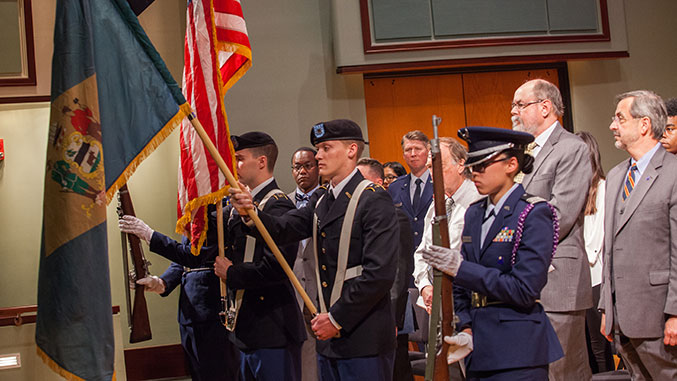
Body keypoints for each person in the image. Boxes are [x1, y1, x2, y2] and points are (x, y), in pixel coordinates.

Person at [229, 119, 399, 381]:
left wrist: (336, 318)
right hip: (329, 338)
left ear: (352, 150)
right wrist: (250, 212)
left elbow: (379, 274)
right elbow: (285, 228)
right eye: (318, 148)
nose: (318, 155)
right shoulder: (323, 198)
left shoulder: (373, 197)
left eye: (326, 148)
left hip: (363, 337)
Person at [421, 126, 564, 380]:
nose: (474, 173)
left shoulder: (532, 213)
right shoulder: (475, 213)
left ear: (511, 164)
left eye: (482, 166)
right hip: (479, 345)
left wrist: (461, 269)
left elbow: (524, 289)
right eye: (472, 167)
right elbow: (462, 286)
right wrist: (465, 326)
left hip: (517, 347)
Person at [511, 78, 593, 380]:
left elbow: (560, 215)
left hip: (557, 278)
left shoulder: (571, 148)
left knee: (564, 371)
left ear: (545, 107)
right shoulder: (520, 152)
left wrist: (510, 239)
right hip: (525, 280)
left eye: (521, 104)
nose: (515, 111)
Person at [213, 131, 305, 380]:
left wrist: (231, 273)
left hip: (272, 326)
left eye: (240, 159)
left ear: (262, 161)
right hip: (247, 328)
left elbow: (277, 267)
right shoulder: (238, 207)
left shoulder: (278, 205)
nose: (235, 166)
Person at [600, 90, 677, 379]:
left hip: (659, 317)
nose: (612, 125)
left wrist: (675, 313)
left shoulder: (673, 173)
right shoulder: (617, 174)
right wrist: (607, 307)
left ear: (644, 125)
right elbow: (610, 247)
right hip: (622, 320)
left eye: (620, 118)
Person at [119, 205, 240, 381]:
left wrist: (150, 235)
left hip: (211, 311)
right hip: (189, 313)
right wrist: (162, 282)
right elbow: (183, 260)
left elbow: (195, 256)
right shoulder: (199, 208)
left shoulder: (221, 210)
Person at [357, 157, 414, 381]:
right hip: (368, 313)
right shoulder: (362, 216)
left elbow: (399, 273)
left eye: (362, 181)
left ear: (379, 183)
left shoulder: (395, 215)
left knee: (397, 371)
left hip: (389, 313)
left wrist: (392, 318)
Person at [413, 138, 481, 314]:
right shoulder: (437, 205)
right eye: (429, 167)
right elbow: (423, 251)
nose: (433, 173)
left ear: (460, 165)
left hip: (465, 301)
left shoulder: (478, 202)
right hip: (433, 303)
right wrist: (425, 286)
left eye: (439, 166)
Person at [575, 131, 614, 374]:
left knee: (600, 348)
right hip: (577, 279)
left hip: (595, 277)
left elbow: (597, 238)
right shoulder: (575, 190)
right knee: (582, 347)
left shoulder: (603, 187)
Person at [288, 146, 321, 381]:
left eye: (308, 165)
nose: (302, 171)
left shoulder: (329, 199)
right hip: (291, 291)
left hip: (320, 289)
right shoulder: (282, 202)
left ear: (318, 167)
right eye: (297, 167)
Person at [388, 131, 434, 255]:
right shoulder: (395, 187)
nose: (413, 154)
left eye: (418, 149)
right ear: (403, 155)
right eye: (408, 150)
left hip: (431, 255)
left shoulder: (439, 183)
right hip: (404, 257)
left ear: (428, 152)